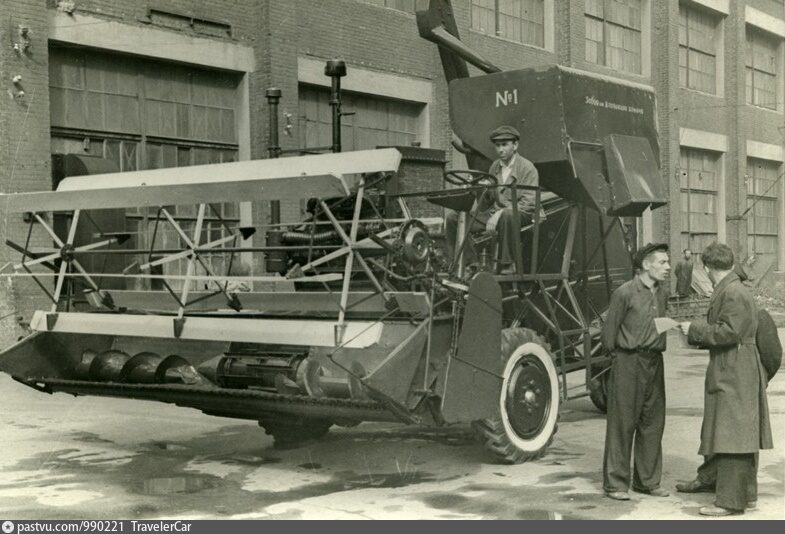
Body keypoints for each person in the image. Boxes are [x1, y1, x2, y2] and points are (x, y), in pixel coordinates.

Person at [679, 242, 772, 516]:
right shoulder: (734, 288)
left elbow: (728, 332)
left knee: (733, 434)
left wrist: (693, 329)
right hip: (735, 366)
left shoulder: (732, 292)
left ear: (706, 268)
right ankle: (745, 495)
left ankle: (730, 502)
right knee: (734, 430)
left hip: (735, 368)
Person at [601, 243, 671, 501]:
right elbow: (608, 336)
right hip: (628, 361)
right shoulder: (624, 293)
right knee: (622, 422)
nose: (668, 267)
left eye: (667, 262)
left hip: (655, 363)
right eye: (662, 262)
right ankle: (616, 484)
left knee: (652, 423)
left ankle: (648, 481)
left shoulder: (661, 293)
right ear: (646, 265)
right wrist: (622, 357)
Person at [445, 125, 544, 273]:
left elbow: (529, 204)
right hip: (498, 215)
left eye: (504, 145)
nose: (500, 150)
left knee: (507, 215)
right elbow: (487, 204)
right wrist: (485, 189)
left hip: (522, 214)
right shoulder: (495, 166)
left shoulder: (527, 168)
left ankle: (508, 264)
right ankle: (470, 264)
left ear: (515, 145)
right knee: (454, 218)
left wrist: (499, 213)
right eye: (497, 146)